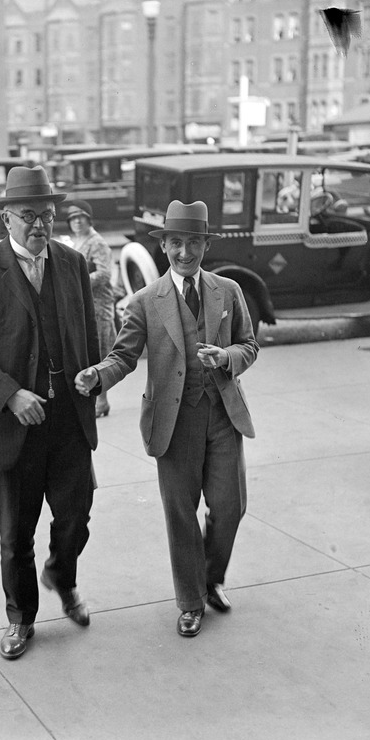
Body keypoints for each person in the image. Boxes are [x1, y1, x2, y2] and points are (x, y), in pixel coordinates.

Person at [75, 200, 259, 638]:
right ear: (164, 247)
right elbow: (122, 356)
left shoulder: (227, 291)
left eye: (192, 242)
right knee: (180, 513)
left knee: (231, 506)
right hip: (173, 422)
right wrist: (97, 376)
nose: (183, 252)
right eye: (176, 243)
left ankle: (211, 578)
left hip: (222, 416)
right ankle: (191, 602)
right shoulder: (143, 302)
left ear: (205, 245)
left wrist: (227, 356)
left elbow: (249, 345)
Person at [0, 165, 100, 660]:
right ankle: (21, 619)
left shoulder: (74, 264)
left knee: (76, 514)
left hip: (67, 420)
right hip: (12, 425)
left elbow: (88, 332)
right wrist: (12, 395)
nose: (40, 226)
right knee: (15, 535)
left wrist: (94, 379)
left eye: (47, 215)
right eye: (29, 216)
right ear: (6, 219)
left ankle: (62, 574)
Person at [64, 199, 115, 418]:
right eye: (72, 218)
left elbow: (104, 274)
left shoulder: (97, 242)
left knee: (101, 353)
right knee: (88, 353)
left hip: (99, 306)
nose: (76, 222)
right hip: (83, 306)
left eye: (80, 217)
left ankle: (102, 401)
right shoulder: (77, 241)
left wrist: (76, 281)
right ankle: (95, 399)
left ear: (88, 219)